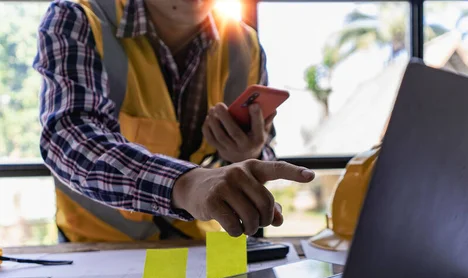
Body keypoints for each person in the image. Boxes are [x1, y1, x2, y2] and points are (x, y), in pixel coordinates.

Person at [33, 0, 314, 242]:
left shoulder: (244, 45)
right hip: (98, 251)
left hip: (199, 249)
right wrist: (185, 185)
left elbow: (258, 152)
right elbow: (68, 137)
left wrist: (246, 156)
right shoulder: (78, 18)